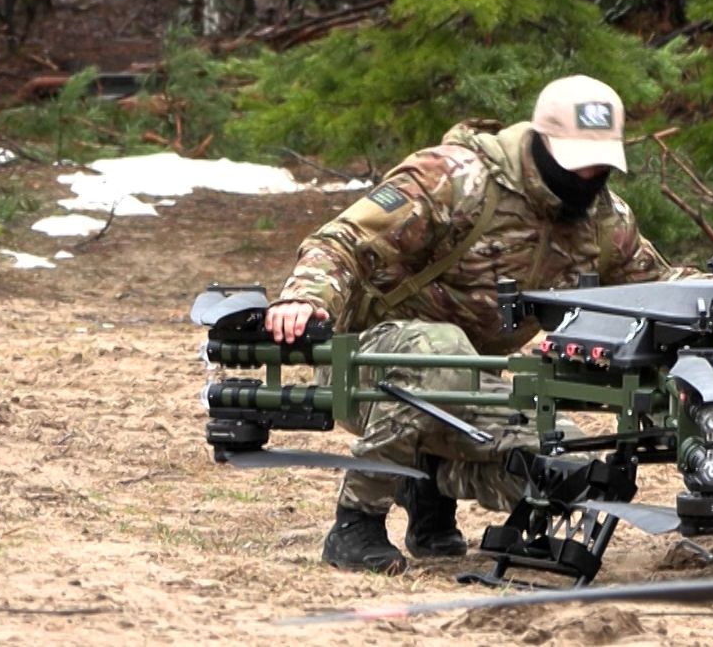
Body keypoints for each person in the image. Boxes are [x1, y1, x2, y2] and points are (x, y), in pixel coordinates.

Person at [263, 74, 685, 574]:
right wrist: (305, 300)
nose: (588, 174)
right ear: (541, 141)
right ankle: (357, 521)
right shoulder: (454, 180)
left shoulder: (603, 221)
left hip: (476, 385)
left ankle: (426, 482)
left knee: (565, 472)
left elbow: (656, 285)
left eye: (600, 162)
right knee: (437, 354)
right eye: (576, 158)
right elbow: (341, 242)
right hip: (368, 368)